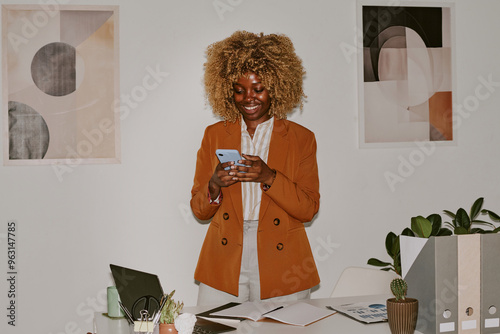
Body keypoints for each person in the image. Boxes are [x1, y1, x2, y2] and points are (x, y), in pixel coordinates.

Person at [190, 31, 320, 305]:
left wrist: (269, 176)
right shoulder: (214, 134)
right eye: (239, 90)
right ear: (228, 90)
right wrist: (214, 185)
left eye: (258, 89)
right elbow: (199, 210)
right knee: (215, 327)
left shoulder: (301, 138)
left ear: (277, 85)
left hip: (282, 257)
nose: (248, 98)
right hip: (225, 255)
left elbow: (308, 209)